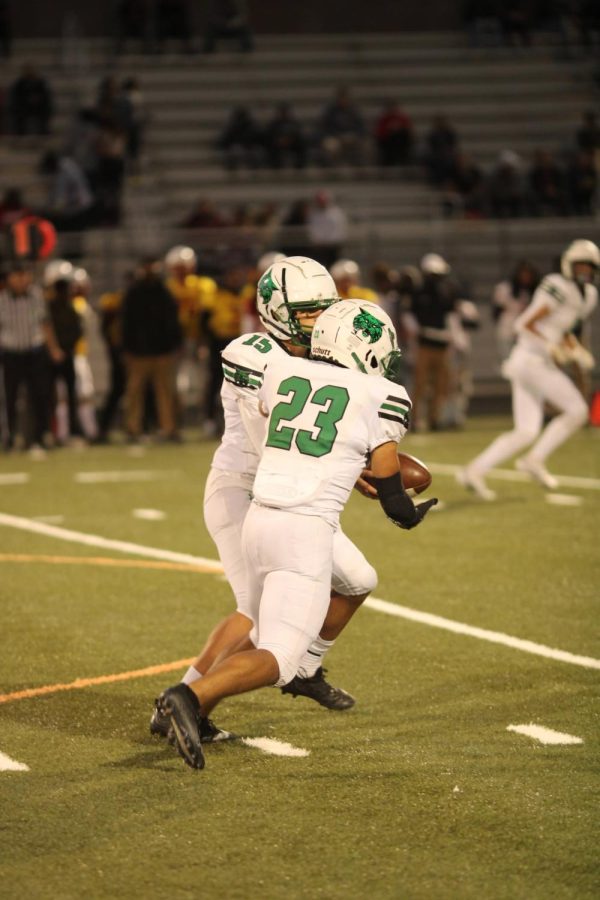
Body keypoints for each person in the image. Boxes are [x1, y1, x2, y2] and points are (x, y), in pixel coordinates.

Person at [156, 295, 437, 769]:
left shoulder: (285, 373)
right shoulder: (382, 396)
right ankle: (188, 696)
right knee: (276, 656)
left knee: (353, 583)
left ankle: (297, 671)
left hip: (260, 516)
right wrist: (407, 513)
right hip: (301, 527)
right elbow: (391, 491)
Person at [458, 239, 598, 501]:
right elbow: (524, 323)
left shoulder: (588, 295)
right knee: (577, 410)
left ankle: (473, 471)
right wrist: (551, 346)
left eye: (589, 267)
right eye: (580, 265)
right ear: (570, 265)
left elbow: (564, 328)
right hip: (530, 359)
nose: (584, 271)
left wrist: (575, 349)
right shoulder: (558, 285)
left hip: (534, 362)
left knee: (526, 431)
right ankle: (534, 459)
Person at [0, 264, 63, 456]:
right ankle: (11, 438)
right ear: (9, 279)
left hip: (35, 351)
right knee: (9, 397)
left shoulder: (36, 296)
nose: (20, 280)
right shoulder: (2, 299)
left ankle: (42, 435)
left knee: (41, 394)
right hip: (11, 352)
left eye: (24, 275)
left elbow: (45, 323)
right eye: (16, 276)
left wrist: (53, 349)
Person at [122, 257, 182, 442]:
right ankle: (133, 429)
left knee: (166, 393)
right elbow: (126, 323)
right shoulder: (134, 293)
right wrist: (128, 348)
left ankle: (169, 429)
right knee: (134, 393)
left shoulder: (164, 292)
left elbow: (173, 321)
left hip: (162, 352)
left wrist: (174, 345)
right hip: (139, 353)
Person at [408, 253, 461, 432]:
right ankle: (415, 420)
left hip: (442, 344)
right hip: (424, 344)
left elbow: (451, 315)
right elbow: (411, 316)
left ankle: (434, 419)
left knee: (441, 385)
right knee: (420, 385)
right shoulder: (418, 293)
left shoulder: (446, 291)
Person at [491, 260, 540, 363]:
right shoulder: (505, 289)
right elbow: (497, 310)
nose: (525, 277)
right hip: (508, 327)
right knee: (508, 359)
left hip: (528, 330)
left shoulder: (536, 291)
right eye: (523, 274)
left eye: (528, 274)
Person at [306, 190, 348, 269]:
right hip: (319, 247)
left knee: (334, 267)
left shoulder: (336, 213)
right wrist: (318, 241)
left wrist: (330, 241)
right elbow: (312, 230)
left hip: (333, 246)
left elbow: (339, 229)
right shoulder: (313, 214)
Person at [8, 65, 53, 135]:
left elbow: (45, 96)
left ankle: (43, 131)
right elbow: (16, 97)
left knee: (45, 109)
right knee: (18, 111)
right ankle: (20, 132)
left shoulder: (40, 83)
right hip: (24, 107)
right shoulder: (19, 84)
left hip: (39, 106)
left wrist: (37, 99)